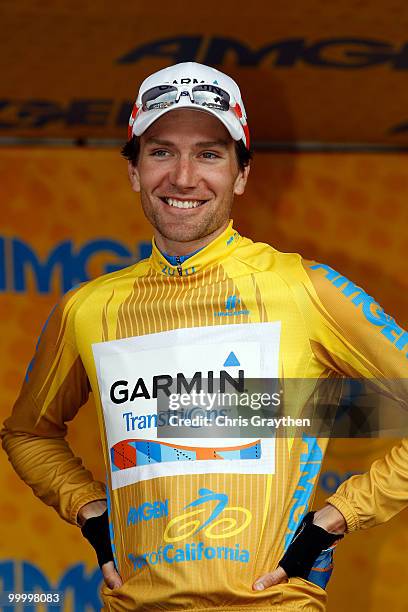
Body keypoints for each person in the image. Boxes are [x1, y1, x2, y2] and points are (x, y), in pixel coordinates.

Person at [1, 61, 407, 612]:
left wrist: (337, 519)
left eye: (210, 153)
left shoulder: (302, 289)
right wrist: (92, 514)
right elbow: (28, 433)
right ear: (134, 170)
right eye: (161, 151)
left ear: (242, 174)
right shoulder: (88, 308)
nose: (184, 177)